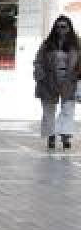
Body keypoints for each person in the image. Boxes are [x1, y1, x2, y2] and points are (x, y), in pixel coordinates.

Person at [33, 15, 81, 150]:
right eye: (58, 26)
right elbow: (38, 61)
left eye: (64, 26)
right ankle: (51, 135)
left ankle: (65, 135)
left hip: (69, 81)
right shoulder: (47, 44)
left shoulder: (76, 44)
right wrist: (40, 75)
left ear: (69, 28)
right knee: (48, 111)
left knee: (68, 110)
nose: (61, 29)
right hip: (49, 80)